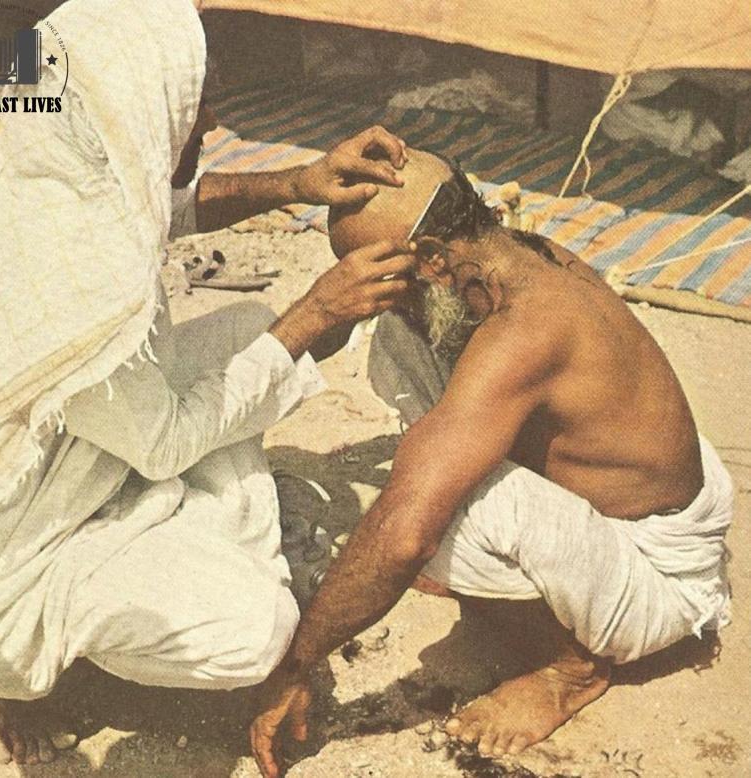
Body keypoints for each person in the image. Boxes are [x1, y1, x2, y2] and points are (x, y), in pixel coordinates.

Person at [0, 0, 415, 765]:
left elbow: (159, 205)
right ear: (136, 98)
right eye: (191, 98)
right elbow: (169, 437)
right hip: (16, 565)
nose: (206, 120)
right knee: (256, 629)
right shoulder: (78, 275)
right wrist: (315, 314)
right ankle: (16, 670)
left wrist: (300, 182)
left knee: (246, 338)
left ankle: (157, 540)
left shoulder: (46, 168)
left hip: (79, 453)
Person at [250, 150, 733, 776]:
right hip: (639, 506)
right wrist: (336, 304)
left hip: (657, 576)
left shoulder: (525, 329)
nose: (376, 288)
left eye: (388, 271)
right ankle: (534, 586)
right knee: (404, 337)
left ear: (431, 257)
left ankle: (571, 669)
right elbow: (344, 332)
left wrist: (294, 666)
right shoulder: (511, 253)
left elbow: (403, 534)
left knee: (439, 514)